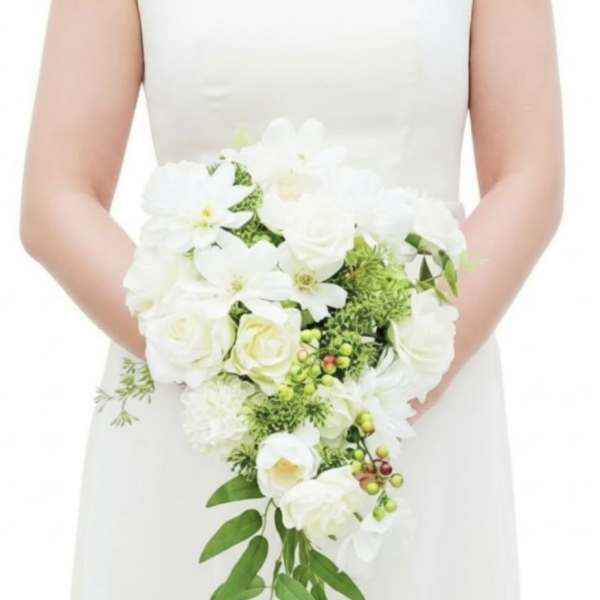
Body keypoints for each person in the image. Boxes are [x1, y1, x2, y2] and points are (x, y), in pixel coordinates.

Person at [21, 1, 563, 598]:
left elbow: (528, 175)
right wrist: (223, 360)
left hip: (414, 405)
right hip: (199, 409)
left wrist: (395, 372)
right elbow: (56, 199)